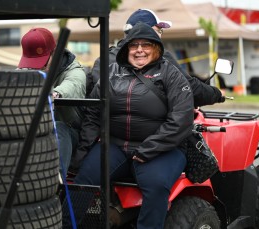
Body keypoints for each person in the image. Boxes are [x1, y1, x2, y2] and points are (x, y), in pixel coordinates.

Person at [73, 22, 194, 229]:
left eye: (145, 45)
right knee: (83, 180)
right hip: (116, 146)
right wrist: (82, 153)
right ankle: (70, 225)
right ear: (126, 48)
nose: (139, 50)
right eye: (133, 45)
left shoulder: (170, 74)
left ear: (156, 47)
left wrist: (148, 149)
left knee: (157, 186)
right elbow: (93, 115)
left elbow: (181, 120)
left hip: (162, 150)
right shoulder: (110, 73)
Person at [86, 9, 224, 106]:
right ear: (144, 31)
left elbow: (95, 102)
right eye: (158, 31)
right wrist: (216, 94)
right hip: (154, 132)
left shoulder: (102, 59)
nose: (160, 36)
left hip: (108, 133)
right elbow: (190, 89)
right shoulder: (161, 57)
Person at [17, 27, 86, 178]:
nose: (35, 67)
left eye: (40, 61)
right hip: (35, 130)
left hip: (68, 132)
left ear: (55, 54)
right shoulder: (27, 70)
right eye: (31, 61)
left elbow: (73, 85)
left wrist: (55, 94)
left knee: (59, 128)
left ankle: (55, 182)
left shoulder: (75, 71)